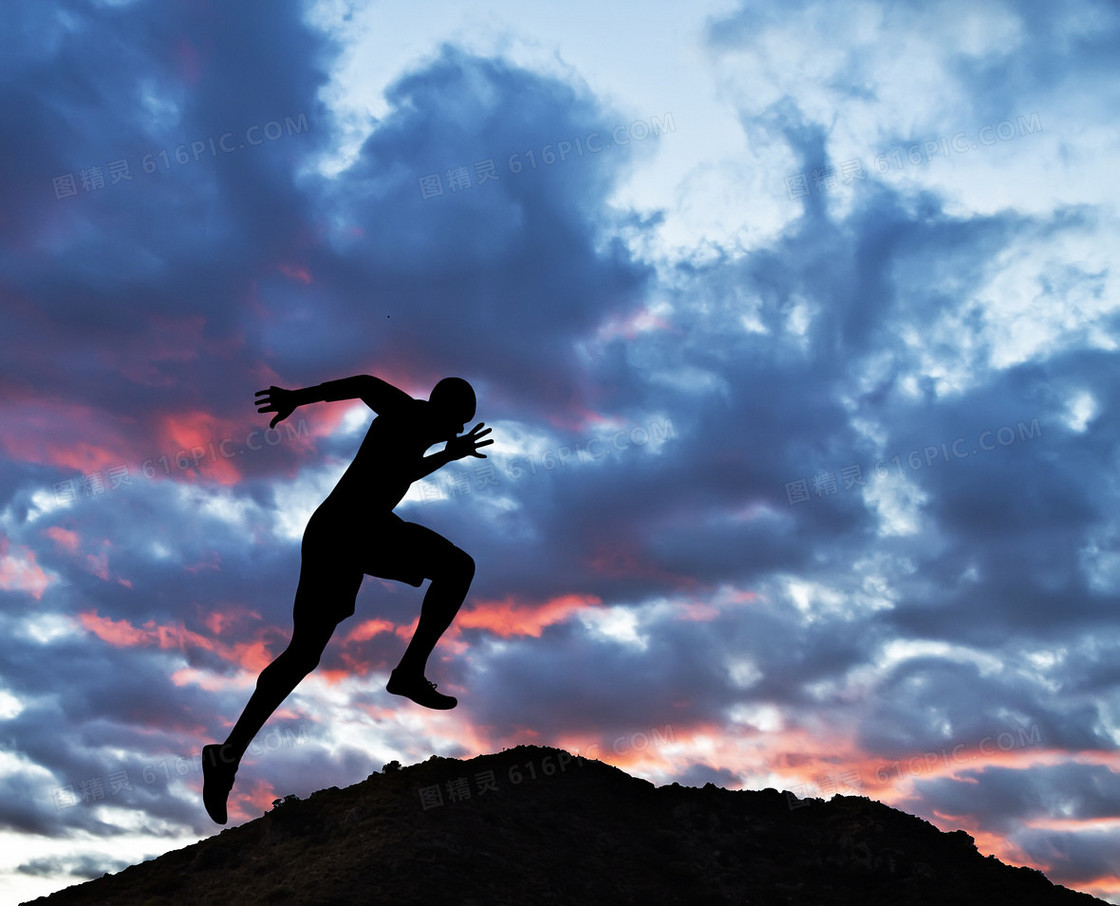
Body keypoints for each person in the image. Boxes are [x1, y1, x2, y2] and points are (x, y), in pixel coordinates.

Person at [202, 374, 492, 824]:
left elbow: (398, 471)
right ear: (442, 409)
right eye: (456, 424)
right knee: (303, 655)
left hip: (362, 529)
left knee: (456, 568)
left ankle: (409, 673)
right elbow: (364, 383)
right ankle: (228, 755)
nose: (455, 433)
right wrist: (296, 398)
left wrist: (444, 456)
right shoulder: (407, 411)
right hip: (343, 531)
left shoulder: (419, 430)